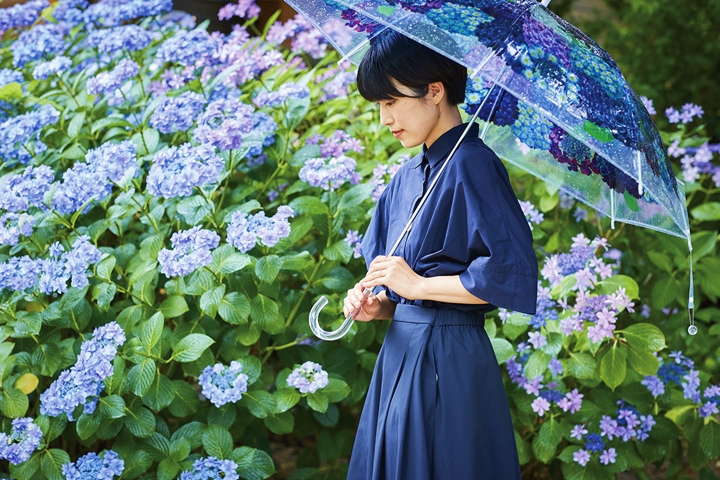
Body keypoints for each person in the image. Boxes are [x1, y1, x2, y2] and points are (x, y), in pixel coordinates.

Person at [343, 30, 539, 479]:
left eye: (391, 102)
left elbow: (508, 275)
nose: (384, 119)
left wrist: (415, 284)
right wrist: (382, 305)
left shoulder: (475, 166)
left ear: (435, 91)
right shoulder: (408, 177)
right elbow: (405, 288)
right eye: (378, 106)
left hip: (449, 360)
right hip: (398, 356)